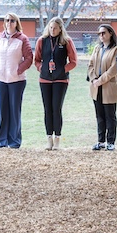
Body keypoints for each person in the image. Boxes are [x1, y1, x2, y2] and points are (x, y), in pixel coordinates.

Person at [0, 13, 33, 149]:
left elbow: (29, 57)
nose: (9, 23)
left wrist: (18, 70)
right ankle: (1, 141)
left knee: (14, 110)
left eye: (12, 20)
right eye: (7, 20)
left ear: (16, 23)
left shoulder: (22, 39)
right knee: (2, 110)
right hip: (0, 80)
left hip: (17, 81)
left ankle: (14, 141)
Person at [34, 16, 78, 150]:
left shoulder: (66, 41)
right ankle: (49, 139)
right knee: (47, 109)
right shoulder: (42, 41)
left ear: (60, 29)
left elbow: (73, 61)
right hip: (45, 79)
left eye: (55, 28)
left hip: (61, 80)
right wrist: (42, 68)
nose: (53, 30)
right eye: (51, 27)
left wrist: (62, 70)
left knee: (56, 108)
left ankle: (57, 138)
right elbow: (36, 59)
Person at [87, 24, 117, 151]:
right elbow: (90, 65)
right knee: (99, 115)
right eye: (99, 34)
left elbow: (114, 69)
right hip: (96, 87)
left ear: (110, 33)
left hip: (109, 87)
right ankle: (100, 141)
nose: (101, 36)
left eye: (104, 33)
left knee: (110, 115)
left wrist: (100, 81)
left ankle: (111, 141)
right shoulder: (97, 48)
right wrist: (94, 79)